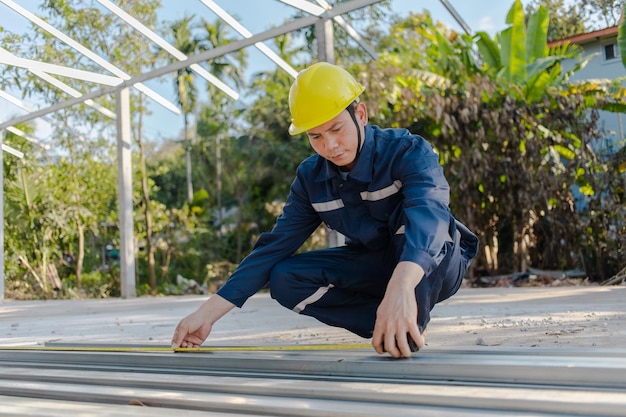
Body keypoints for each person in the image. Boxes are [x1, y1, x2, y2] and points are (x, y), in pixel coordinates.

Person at [171, 62, 478, 358]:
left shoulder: (407, 151)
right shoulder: (311, 179)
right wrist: (206, 314)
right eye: (315, 136)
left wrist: (402, 283)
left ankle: (406, 317)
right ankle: (385, 324)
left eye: (336, 129)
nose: (330, 145)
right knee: (284, 277)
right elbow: (273, 248)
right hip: (375, 265)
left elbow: (431, 215)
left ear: (360, 114)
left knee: (410, 217)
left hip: (436, 263)